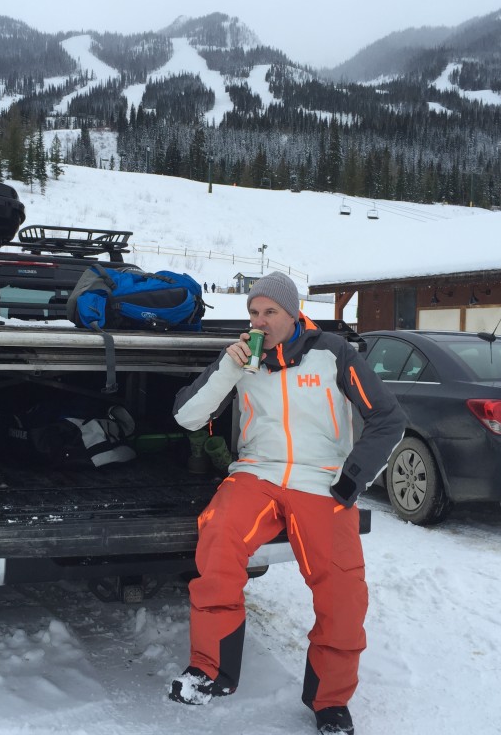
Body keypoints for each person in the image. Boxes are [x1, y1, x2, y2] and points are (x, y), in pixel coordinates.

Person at [168, 271, 406, 735]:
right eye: (254, 312)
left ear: (293, 312)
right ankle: (209, 670)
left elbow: (389, 419)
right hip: (255, 474)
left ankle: (330, 702)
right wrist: (229, 368)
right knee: (217, 539)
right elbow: (186, 416)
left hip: (321, 482)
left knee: (342, 592)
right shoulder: (240, 357)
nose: (260, 321)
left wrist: (351, 481)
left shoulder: (333, 352)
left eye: (270, 312)